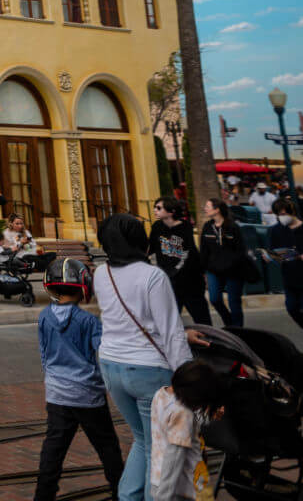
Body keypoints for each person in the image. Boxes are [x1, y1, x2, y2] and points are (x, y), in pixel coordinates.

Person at [93, 212, 193, 501]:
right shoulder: (153, 276)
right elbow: (170, 330)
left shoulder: (102, 273)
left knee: (141, 439)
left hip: (111, 365)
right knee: (157, 449)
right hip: (150, 370)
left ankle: (127, 497)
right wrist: (188, 375)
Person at [34, 258, 123, 501]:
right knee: (107, 448)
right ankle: (121, 493)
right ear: (85, 286)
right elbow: (104, 353)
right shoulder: (89, 321)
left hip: (56, 394)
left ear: (50, 286)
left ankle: (43, 495)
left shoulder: (43, 317)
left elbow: (44, 355)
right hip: (88, 396)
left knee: (53, 449)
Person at [148, 361, 228, 501]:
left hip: (159, 479)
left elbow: (179, 427)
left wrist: (207, 417)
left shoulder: (161, 395)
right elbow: (174, 457)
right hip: (183, 487)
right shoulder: (184, 413)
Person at [149, 196, 210, 325]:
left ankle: (211, 343)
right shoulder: (157, 227)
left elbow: (189, 253)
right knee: (170, 321)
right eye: (155, 207)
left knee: (202, 318)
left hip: (190, 281)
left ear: (171, 212)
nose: (155, 210)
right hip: (169, 282)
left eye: (159, 208)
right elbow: (150, 248)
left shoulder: (185, 227)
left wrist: (200, 273)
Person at [200, 199, 246, 328]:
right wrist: (202, 271)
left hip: (233, 271)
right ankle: (229, 322)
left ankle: (238, 330)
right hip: (213, 270)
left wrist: (233, 264)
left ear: (217, 209)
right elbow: (203, 251)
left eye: (208, 206)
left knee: (234, 303)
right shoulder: (207, 227)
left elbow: (240, 250)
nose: (205, 208)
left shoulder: (232, 227)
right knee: (214, 299)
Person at [268, 197, 303, 330]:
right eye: (278, 215)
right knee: (292, 308)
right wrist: (270, 256)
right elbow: (274, 250)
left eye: (283, 214)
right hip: (289, 276)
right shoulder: (277, 230)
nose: (281, 217)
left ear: (292, 211)